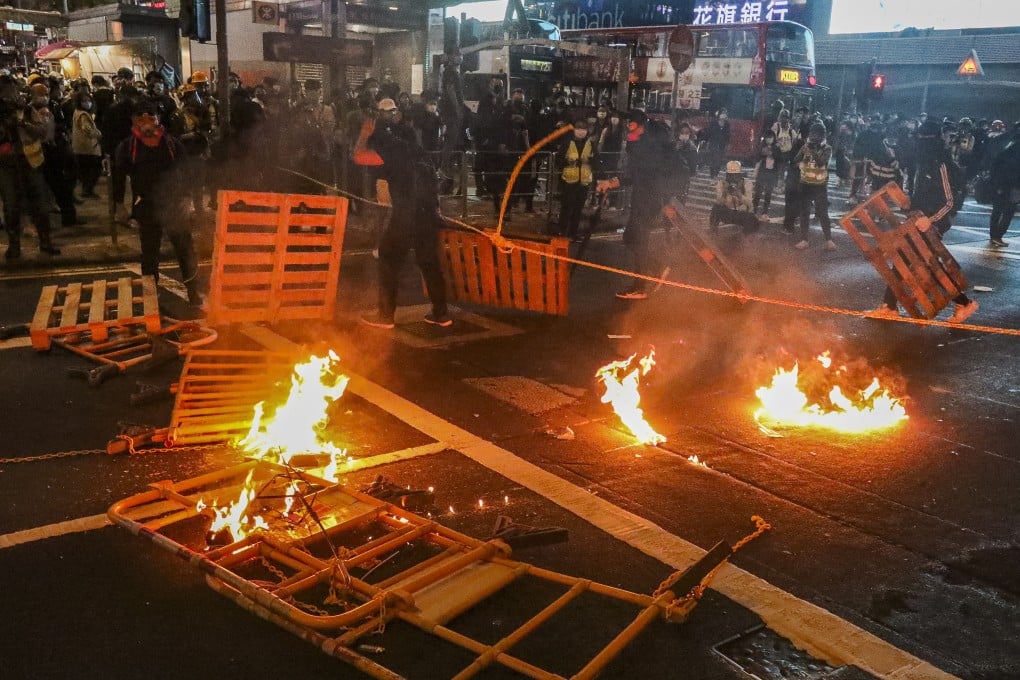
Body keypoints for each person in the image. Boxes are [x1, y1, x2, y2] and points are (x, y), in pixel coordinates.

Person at [869, 120, 978, 323]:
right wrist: (911, 206)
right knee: (905, 259)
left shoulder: (941, 163)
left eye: (923, 139)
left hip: (932, 223)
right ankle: (889, 305)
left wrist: (931, 220)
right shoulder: (923, 161)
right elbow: (921, 191)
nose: (920, 143)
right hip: (918, 220)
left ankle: (963, 303)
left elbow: (949, 200)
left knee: (924, 265)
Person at [361, 98, 451, 329]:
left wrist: (364, 134)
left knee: (388, 257)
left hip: (406, 215)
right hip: (428, 213)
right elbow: (433, 183)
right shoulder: (419, 149)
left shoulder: (388, 150)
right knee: (429, 261)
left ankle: (385, 316)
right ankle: (441, 314)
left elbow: (360, 156)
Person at [111, 100, 201, 306]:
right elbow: (118, 177)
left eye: (151, 117)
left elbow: (187, 172)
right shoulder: (127, 147)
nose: (147, 122)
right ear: (133, 121)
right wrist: (119, 204)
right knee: (150, 253)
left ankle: (193, 293)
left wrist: (188, 198)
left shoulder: (172, 143)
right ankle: (151, 297)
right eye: (141, 118)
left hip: (174, 204)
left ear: (158, 119)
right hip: (146, 205)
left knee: (185, 249)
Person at [597, 109, 673, 300]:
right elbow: (634, 174)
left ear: (640, 125)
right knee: (633, 238)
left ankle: (643, 283)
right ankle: (654, 270)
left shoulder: (644, 146)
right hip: (645, 198)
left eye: (631, 124)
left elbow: (635, 174)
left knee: (636, 238)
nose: (628, 127)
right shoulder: (642, 144)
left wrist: (612, 183)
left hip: (647, 199)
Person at [0, 77, 60, 259]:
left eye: (14, 91)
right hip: (7, 165)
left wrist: (22, 123)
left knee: (40, 204)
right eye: (8, 92)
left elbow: (43, 132)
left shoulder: (26, 110)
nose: (13, 95)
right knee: (11, 206)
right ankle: (14, 245)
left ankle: (45, 241)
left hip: (30, 163)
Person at [794, 122, 835, 250]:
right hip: (805, 183)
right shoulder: (806, 146)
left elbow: (821, 162)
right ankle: (804, 239)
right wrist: (804, 156)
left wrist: (812, 151)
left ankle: (829, 240)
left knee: (823, 213)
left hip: (819, 185)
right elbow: (795, 160)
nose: (813, 136)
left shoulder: (827, 148)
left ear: (822, 135)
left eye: (816, 134)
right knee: (804, 213)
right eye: (812, 134)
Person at [556, 118, 595, 239]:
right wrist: (567, 162)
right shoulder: (567, 143)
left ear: (587, 131)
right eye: (578, 129)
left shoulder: (591, 144)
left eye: (583, 129)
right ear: (574, 130)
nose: (581, 132)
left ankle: (573, 233)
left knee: (578, 209)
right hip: (569, 181)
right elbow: (558, 161)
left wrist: (590, 161)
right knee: (566, 207)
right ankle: (561, 232)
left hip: (583, 182)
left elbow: (598, 161)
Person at [988, 125, 1020, 248]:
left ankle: (994, 235)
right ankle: (997, 236)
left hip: (1002, 183)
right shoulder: (1014, 149)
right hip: (1012, 184)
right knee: (1008, 210)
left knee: (998, 209)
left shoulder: (1005, 145)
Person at [710, 160, 761, 234]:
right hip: (728, 213)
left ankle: (746, 241)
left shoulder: (747, 183)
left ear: (739, 175)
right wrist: (725, 192)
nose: (732, 178)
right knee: (716, 208)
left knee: (753, 220)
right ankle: (713, 234)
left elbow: (750, 203)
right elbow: (719, 202)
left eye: (735, 175)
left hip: (742, 214)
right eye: (730, 175)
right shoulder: (721, 183)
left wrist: (739, 195)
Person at [71, 90, 102, 198]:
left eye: (89, 100)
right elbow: (87, 130)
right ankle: (88, 189)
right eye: (84, 101)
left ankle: (86, 189)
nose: (87, 103)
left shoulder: (77, 112)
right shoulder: (83, 114)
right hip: (88, 146)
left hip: (79, 146)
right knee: (94, 169)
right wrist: (98, 133)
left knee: (85, 171)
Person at [752, 130, 779, 214]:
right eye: (767, 138)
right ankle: (754, 209)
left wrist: (773, 154)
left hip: (772, 173)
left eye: (771, 137)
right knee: (758, 193)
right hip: (762, 172)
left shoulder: (776, 148)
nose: (769, 139)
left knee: (768, 194)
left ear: (774, 138)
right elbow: (756, 157)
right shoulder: (761, 146)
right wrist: (763, 154)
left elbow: (780, 160)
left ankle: (765, 212)